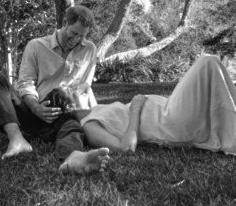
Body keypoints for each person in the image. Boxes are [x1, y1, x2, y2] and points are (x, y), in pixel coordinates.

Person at [0, 5, 109, 174]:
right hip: (32, 110)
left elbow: (85, 86)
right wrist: (36, 108)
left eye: (82, 35)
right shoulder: (36, 46)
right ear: (65, 23)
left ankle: (73, 157)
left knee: (71, 125)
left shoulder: (89, 49)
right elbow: (25, 83)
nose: (78, 39)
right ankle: (17, 139)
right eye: (74, 33)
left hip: (64, 114)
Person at [75, 55, 236, 155]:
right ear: (70, 107)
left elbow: (86, 89)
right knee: (208, 62)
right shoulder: (89, 126)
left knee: (212, 79)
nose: (76, 90)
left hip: (169, 108)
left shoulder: (93, 110)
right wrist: (135, 110)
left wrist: (84, 90)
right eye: (72, 92)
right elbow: (126, 148)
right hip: (171, 122)